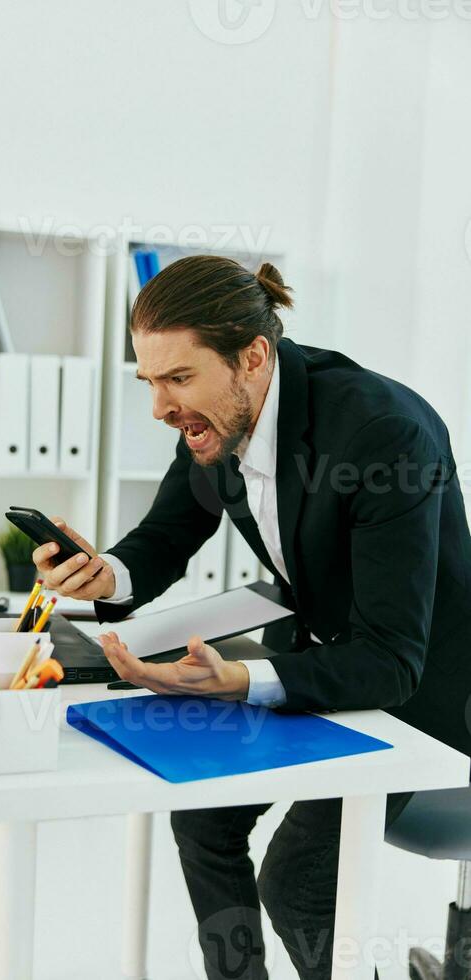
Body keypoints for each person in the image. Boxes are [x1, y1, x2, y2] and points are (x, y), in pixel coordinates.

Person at [32, 255, 471, 980]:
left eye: (178, 379)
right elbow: (168, 534)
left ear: (253, 358)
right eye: (150, 382)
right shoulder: (219, 418)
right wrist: (104, 574)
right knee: (202, 819)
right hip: (319, 659)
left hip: (422, 697)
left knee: (293, 885)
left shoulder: (381, 435)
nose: (162, 409)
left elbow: (392, 659)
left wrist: (240, 679)